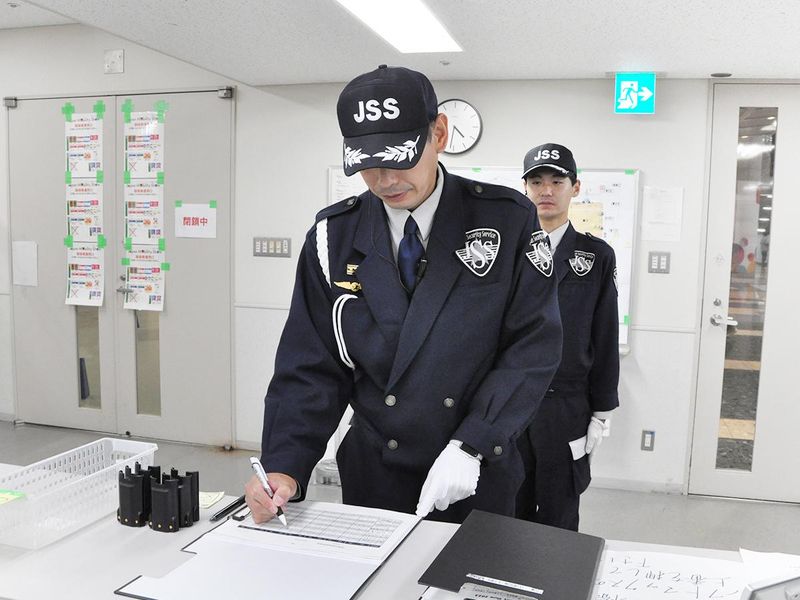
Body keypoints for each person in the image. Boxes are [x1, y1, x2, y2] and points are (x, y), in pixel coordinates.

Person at [245, 65, 562, 524]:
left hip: (477, 467)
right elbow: (310, 366)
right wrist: (285, 464)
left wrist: (473, 443)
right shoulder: (332, 237)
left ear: (439, 134)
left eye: (399, 158)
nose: (385, 180)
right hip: (376, 470)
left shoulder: (507, 220)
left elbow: (532, 347)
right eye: (366, 163)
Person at [515, 143, 619, 531]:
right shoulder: (508, 251)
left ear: (575, 188)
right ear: (525, 188)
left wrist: (602, 412)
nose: (546, 190)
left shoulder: (596, 256)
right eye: (536, 181)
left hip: (567, 406)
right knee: (507, 508)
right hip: (511, 402)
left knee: (559, 512)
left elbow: (605, 335)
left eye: (557, 181)